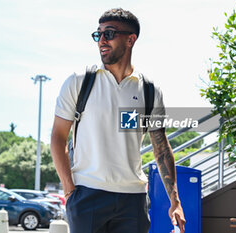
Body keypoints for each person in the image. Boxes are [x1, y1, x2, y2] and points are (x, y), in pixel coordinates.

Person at [50, 8, 186, 233]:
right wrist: (69, 190)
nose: (101, 40)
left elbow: (161, 148)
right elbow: (58, 136)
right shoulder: (79, 82)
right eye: (98, 34)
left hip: (133, 200)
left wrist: (175, 201)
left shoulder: (150, 90)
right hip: (87, 195)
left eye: (109, 33)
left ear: (131, 39)